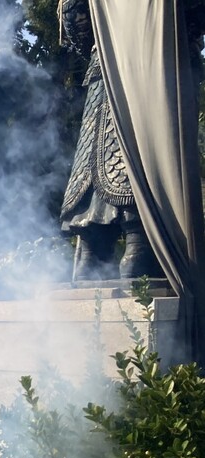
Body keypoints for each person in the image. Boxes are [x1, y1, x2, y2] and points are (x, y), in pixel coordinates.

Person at [59, 0, 205, 284]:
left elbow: (73, 17)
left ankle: (123, 245)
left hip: (137, 62)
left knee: (112, 253)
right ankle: (132, 244)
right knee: (144, 152)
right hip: (138, 65)